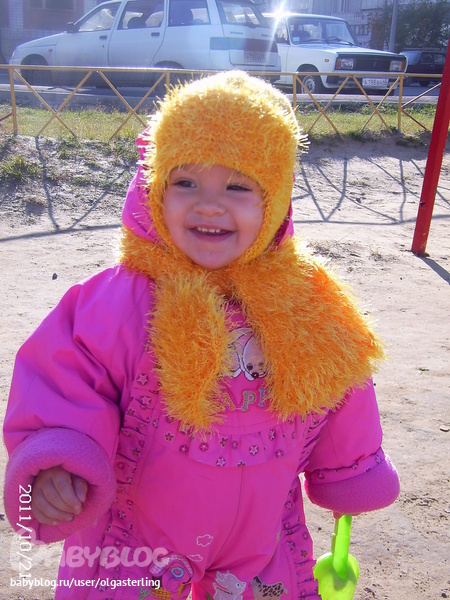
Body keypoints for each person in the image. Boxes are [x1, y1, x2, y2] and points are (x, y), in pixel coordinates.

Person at [3, 71, 400, 600]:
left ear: (275, 200)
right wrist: (60, 460)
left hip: (261, 536)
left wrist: (350, 469)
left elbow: (342, 386)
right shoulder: (118, 302)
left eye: (238, 187)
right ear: (153, 188)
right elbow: (63, 380)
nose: (209, 205)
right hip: (137, 536)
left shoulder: (308, 303)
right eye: (185, 183)